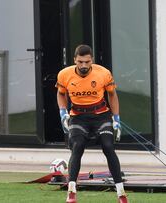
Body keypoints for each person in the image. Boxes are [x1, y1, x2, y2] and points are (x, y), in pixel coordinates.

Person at [56, 45, 128, 203]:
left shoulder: (103, 73)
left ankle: (121, 193)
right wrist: (63, 112)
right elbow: (61, 94)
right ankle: (71, 193)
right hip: (78, 116)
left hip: (101, 116)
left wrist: (116, 119)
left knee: (108, 146)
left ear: (92, 60)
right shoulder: (64, 74)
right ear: (74, 60)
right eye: (80, 62)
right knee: (77, 146)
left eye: (87, 62)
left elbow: (112, 94)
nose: (83, 65)